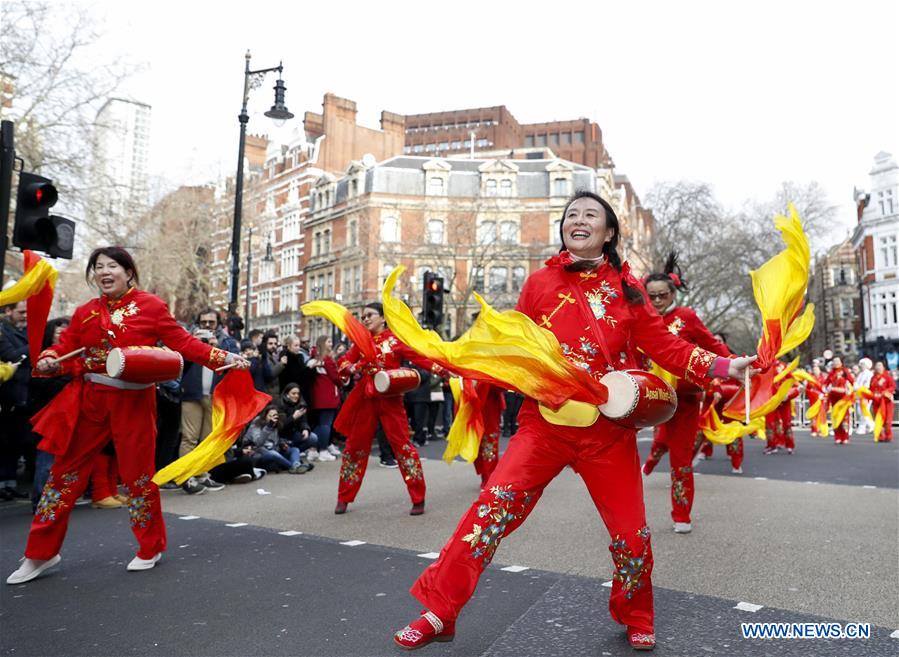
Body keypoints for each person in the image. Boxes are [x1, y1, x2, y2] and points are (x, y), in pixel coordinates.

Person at [393, 191, 755, 651]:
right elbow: (516, 345)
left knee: (631, 535)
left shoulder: (629, 290)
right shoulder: (540, 282)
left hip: (608, 433)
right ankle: (440, 610)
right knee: (488, 514)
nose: (578, 220)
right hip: (543, 426)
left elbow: (667, 348)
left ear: (608, 233)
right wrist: (468, 363)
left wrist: (724, 367)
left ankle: (636, 612)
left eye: (590, 215)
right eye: (571, 215)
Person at [6, 247, 249, 585]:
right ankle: (41, 553)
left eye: (113, 266)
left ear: (128, 272)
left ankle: (150, 546)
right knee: (62, 477)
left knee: (138, 477)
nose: (105, 272)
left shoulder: (151, 306)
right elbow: (65, 347)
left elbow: (182, 342)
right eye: (98, 267)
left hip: (133, 402)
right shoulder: (85, 313)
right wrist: (50, 356)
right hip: (89, 401)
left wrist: (224, 356)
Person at [639, 253, 731, 534]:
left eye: (662, 295)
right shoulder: (639, 319)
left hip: (685, 400)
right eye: (651, 296)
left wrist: (733, 367)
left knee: (680, 460)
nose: (656, 301)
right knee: (640, 448)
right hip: (647, 399)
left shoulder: (687, 317)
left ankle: (681, 514)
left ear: (672, 293)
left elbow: (713, 347)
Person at [333, 302, 445, 516]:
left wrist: (443, 369)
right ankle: (344, 497)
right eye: (363, 316)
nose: (365, 319)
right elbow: (344, 362)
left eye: (369, 315)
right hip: (365, 399)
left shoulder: (395, 339)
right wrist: (352, 367)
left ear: (383, 318)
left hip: (391, 400)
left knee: (402, 446)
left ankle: (418, 497)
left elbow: (419, 357)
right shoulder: (361, 341)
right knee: (354, 447)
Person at [0, 300, 31, 500]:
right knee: (3, 443)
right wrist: (35, 344)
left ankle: (9, 483)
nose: (25, 315)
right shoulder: (3, 333)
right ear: (9, 311)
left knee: (14, 443)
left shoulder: (25, 331)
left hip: (23, 395)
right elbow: (11, 356)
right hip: (8, 396)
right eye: (21, 312)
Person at [242, 406, 311, 474]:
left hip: (274, 451)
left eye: (275, 415)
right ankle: (293, 466)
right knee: (273, 453)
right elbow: (258, 443)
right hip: (258, 454)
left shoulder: (276, 424)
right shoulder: (256, 424)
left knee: (295, 450)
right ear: (265, 416)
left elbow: (275, 441)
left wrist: (282, 444)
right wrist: (268, 427)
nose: (273, 418)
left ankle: (296, 464)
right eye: (270, 416)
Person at [309, 335, 342, 459]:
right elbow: (335, 377)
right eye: (328, 342)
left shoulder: (314, 358)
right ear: (323, 343)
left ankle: (313, 448)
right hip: (328, 396)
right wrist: (342, 381)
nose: (331, 344)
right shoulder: (327, 359)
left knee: (319, 424)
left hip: (318, 395)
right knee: (326, 425)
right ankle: (323, 450)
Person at [825, 357, 854, 444]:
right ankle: (837, 437)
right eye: (834, 361)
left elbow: (851, 381)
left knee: (845, 417)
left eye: (838, 361)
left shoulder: (844, 371)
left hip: (843, 398)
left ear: (841, 363)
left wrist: (849, 388)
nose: (836, 363)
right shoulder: (831, 373)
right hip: (834, 398)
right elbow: (826, 383)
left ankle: (845, 437)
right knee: (835, 417)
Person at [870, 361, 895, 442]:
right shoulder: (873, 378)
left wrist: (884, 393)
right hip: (876, 402)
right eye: (877, 366)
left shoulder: (887, 377)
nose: (878, 367)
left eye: (880, 366)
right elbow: (871, 389)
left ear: (883, 367)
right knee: (878, 419)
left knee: (888, 420)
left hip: (886, 402)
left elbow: (892, 387)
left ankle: (888, 436)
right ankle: (880, 436)